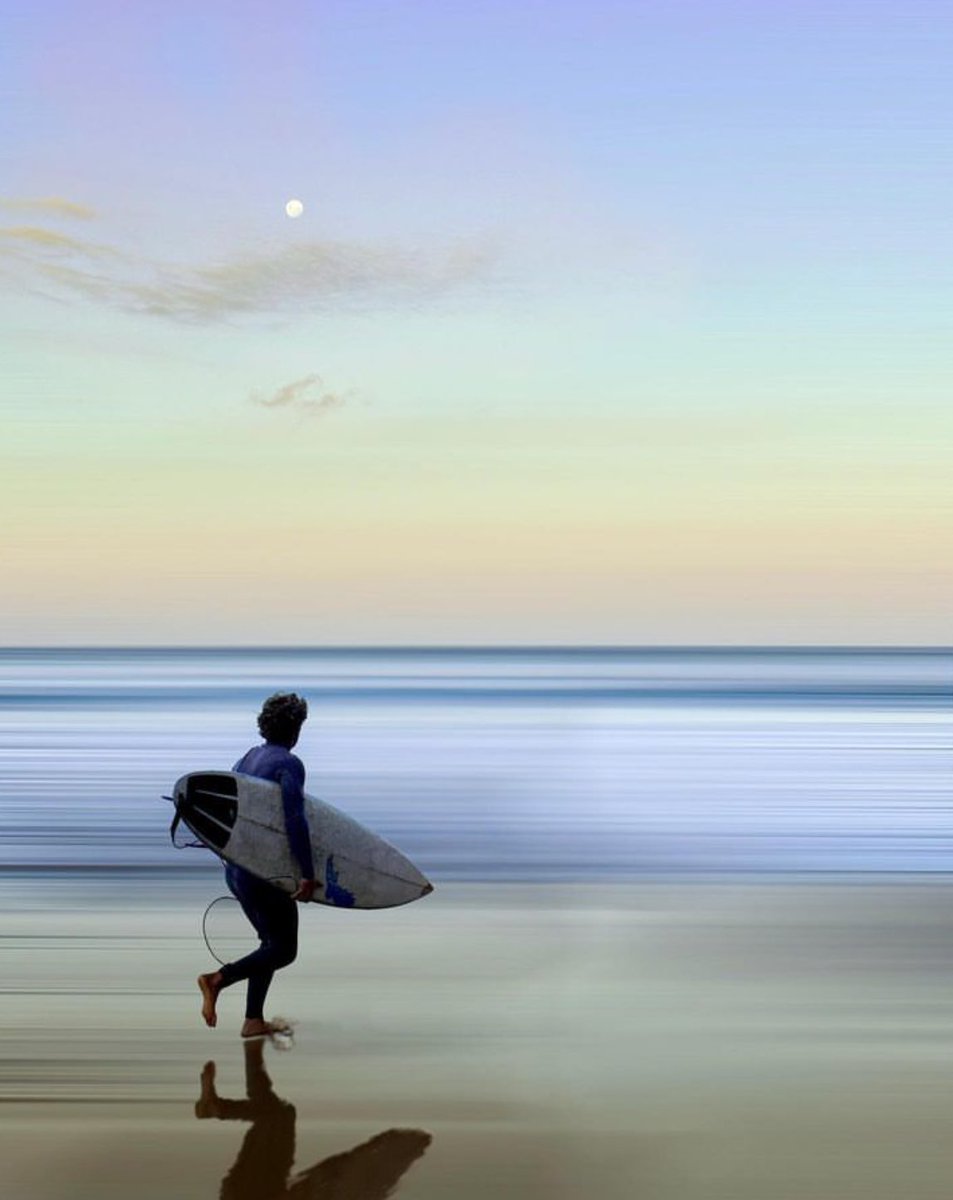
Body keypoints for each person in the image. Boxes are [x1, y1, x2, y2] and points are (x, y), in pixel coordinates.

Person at [198, 693, 319, 1038]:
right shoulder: (289, 764)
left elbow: (230, 812)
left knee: (269, 942)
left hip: (237, 870)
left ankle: (253, 1021)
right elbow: (295, 820)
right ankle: (217, 980)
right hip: (264, 872)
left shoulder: (247, 758)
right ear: (295, 730)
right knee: (284, 950)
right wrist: (308, 874)